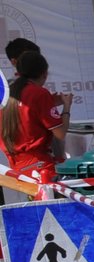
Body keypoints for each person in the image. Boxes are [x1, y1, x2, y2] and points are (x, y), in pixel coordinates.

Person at [0, 50, 69, 186]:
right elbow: (61, 133)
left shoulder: (9, 92)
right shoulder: (39, 93)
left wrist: (50, 103)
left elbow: (26, 114)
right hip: (39, 166)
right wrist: (67, 106)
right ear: (44, 73)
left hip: (12, 167)